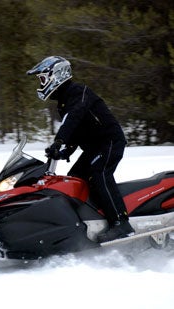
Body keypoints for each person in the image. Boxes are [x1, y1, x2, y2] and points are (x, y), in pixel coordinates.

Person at [26, 56, 135, 242]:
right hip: (94, 147)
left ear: (57, 76)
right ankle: (88, 222)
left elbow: (73, 118)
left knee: (99, 173)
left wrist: (59, 140)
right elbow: (77, 131)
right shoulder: (63, 102)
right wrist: (63, 152)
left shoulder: (78, 92)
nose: (41, 84)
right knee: (75, 180)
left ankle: (121, 223)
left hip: (109, 141)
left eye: (43, 79)